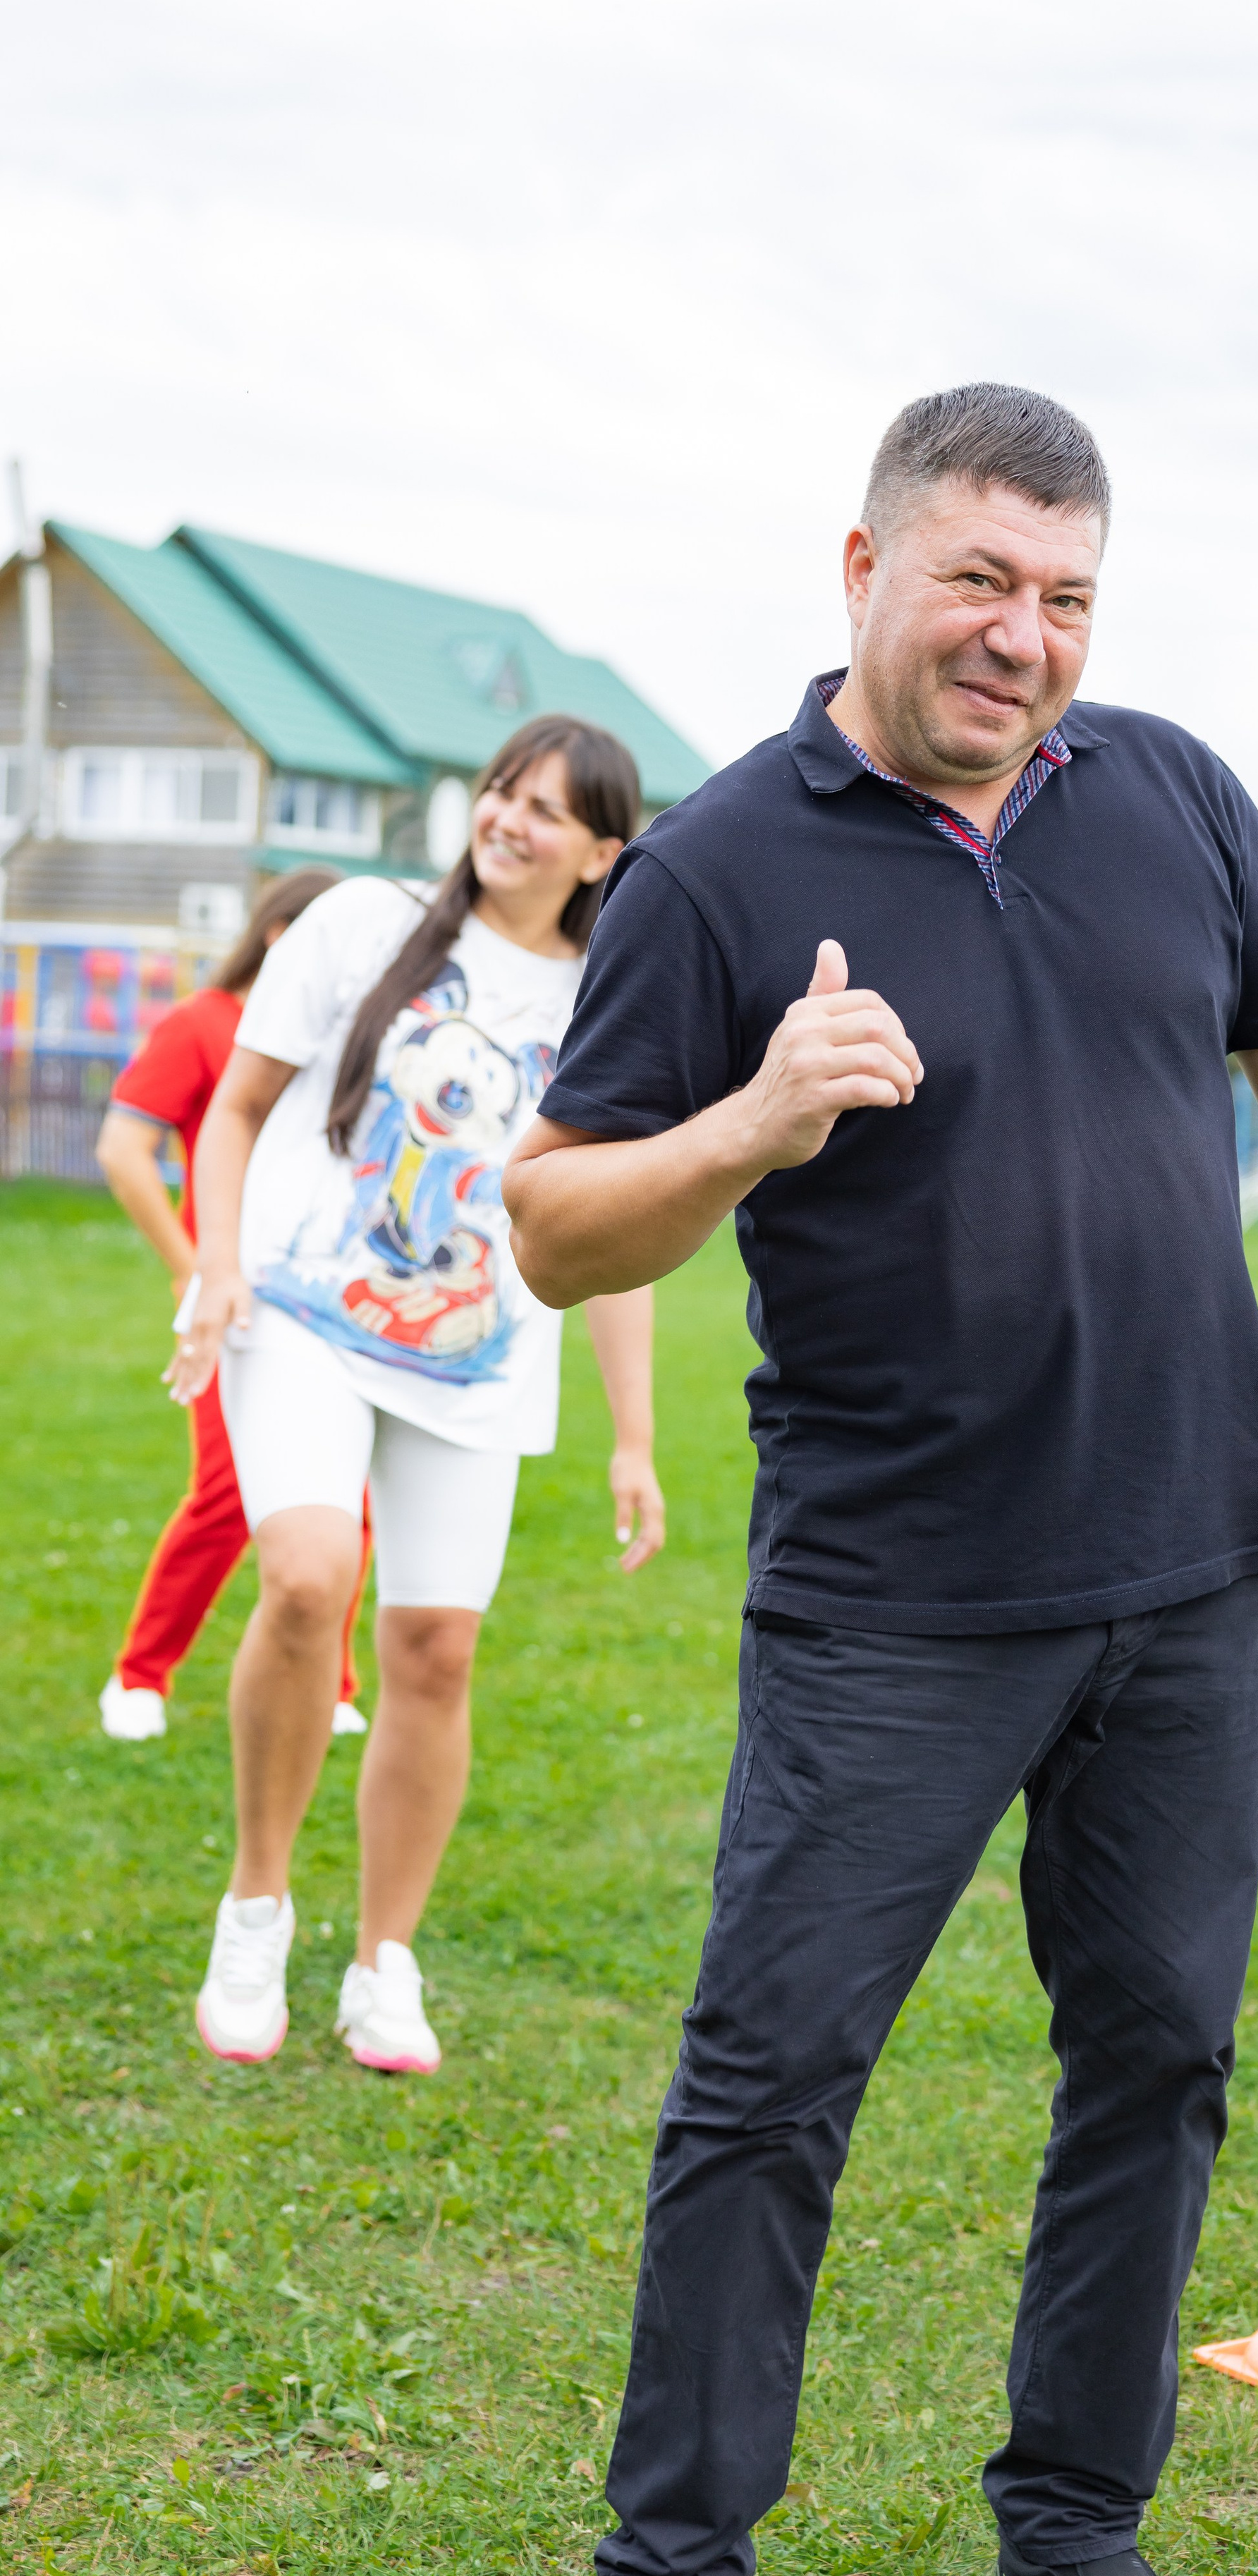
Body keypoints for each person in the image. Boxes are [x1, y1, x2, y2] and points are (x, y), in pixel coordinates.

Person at [506, 384, 1258, 2576]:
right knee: (770, 2083)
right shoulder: (722, 862)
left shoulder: (1170, 795)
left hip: (1180, 1570)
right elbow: (551, 1226)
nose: (1021, 638)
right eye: (978, 583)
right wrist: (746, 1121)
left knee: (1158, 2050)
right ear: (861, 570)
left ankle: (1074, 2522)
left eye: (1064, 597)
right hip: (896, 1607)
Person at [169, 716, 666, 2078]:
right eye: (503, 787)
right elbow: (235, 1109)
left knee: (438, 1648)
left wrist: (634, 1439)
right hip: (305, 1317)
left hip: (478, 1355)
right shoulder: (358, 922)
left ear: (601, 852)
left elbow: (612, 1234)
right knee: (311, 1574)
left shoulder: (603, 1002)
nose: (509, 817)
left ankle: (385, 1958)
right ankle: (256, 1904)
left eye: (549, 810)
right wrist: (214, 1264)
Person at [95, 865, 370, 1742]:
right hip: (232, 1295)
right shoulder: (203, 1025)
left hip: (328, 1293)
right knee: (225, 1493)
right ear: (282, 936)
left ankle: (330, 1683)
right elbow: (122, 1151)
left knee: (346, 1501)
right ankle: (140, 1676)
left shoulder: (342, 1039)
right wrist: (191, 1267)